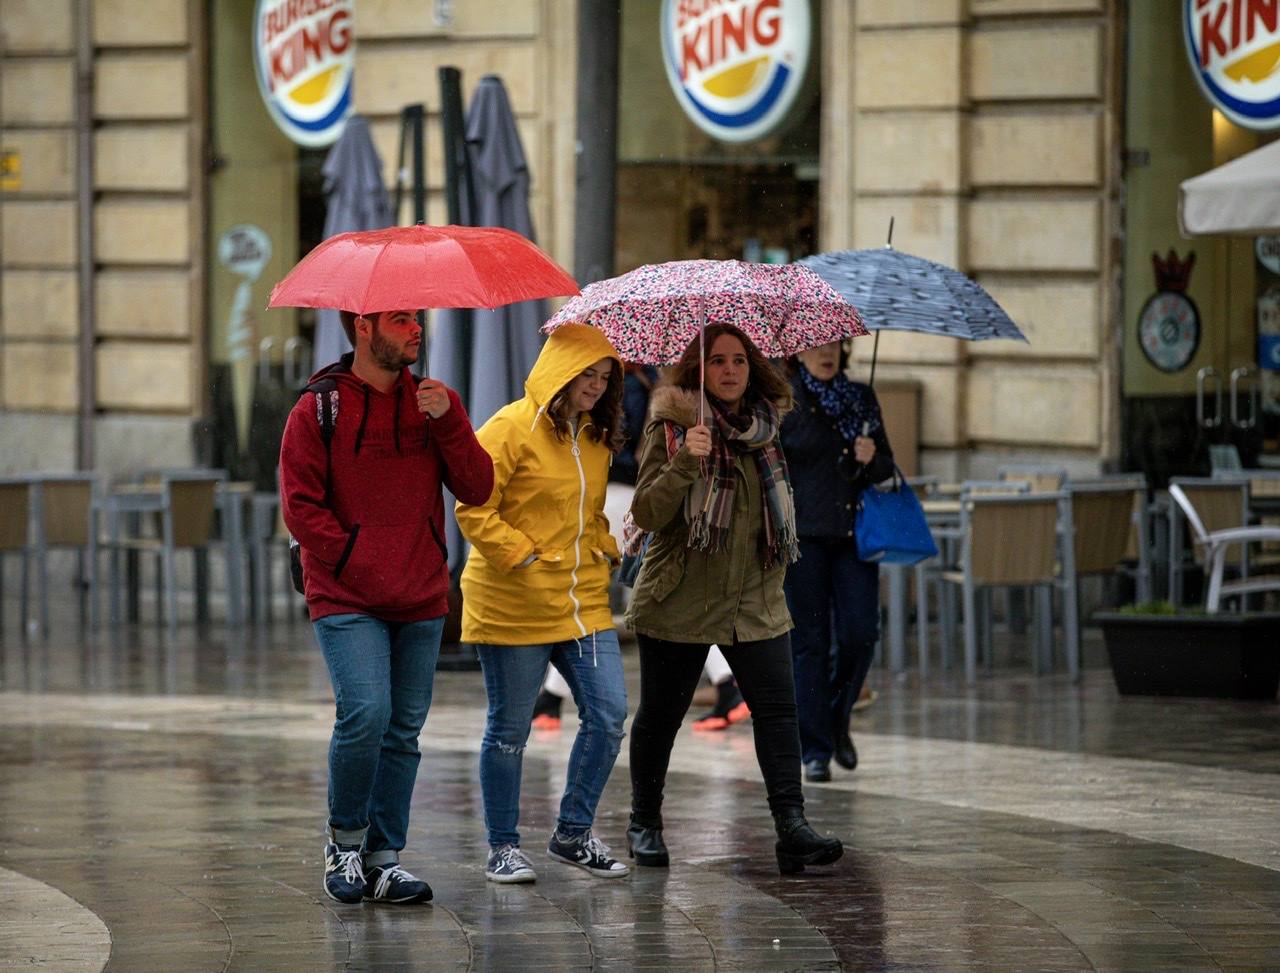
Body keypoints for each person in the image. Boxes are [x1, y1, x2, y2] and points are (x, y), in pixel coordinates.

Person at [279, 308, 494, 905]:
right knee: (366, 713)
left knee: (403, 729)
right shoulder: (317, 407)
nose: (417, 330)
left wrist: (449, 422)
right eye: (401, 321)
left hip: (421, 593)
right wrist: (356, 559)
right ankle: (345, 842)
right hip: (346, 592)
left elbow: (479, 487)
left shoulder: (435, 401)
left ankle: (384, 856)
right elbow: (301, 506)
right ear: (364, 328)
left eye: (417, 319)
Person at [624, 323, 844, 876]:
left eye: (739, 361)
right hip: (682, 595)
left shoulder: (765, 429)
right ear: (697, 369)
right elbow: (647, 513)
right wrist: (684, 464)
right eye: (717, 361)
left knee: (777, 711)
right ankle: (645, 822)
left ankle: (791, 827)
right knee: (661, 716)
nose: (728, 371)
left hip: (754, 595)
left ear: (754, 369)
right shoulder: (674, 427)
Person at [456, 323, 631, 884]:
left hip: (582, 602)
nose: (597, 387)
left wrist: (607, 544)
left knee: (607, 716)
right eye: (588, 375)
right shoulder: (508, 427)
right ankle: (502, 846)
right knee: (510, 731)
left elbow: (590, 514)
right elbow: (473, 507)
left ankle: (573, 834)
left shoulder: (596, 436)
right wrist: (524, 556)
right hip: (512, 603)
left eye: (606, 378)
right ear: (561, 371)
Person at [780, 340, 894, 783]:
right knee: (808, 643)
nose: (826, 354)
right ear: (799, 352)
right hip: (804, 538)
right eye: (816, 346)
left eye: (833, 345)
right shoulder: (785, 399)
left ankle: (837, 718)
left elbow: (886, 470)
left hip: (852, 537)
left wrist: (873, 457)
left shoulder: (860, 398)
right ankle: (816, 747)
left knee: (861, 633)